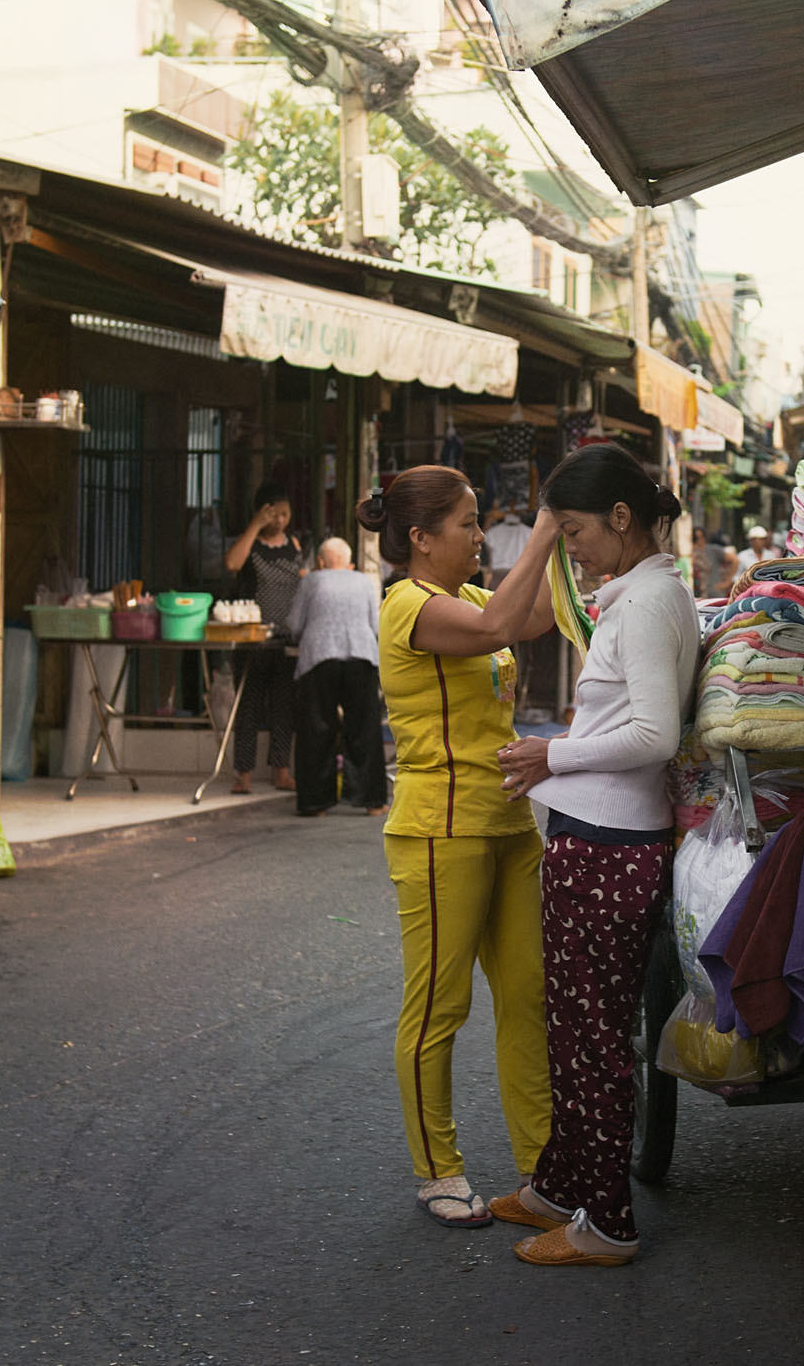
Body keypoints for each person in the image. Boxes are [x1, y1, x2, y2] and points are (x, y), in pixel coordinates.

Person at [491, 444, 700, 1268]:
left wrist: (553, 753)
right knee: (575, 1026)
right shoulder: (644, 592)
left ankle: (606, 1222)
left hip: (610, 846)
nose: (569, 547)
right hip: (600, 837)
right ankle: (560, 1185)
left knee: (594, 1039)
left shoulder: (645, 603)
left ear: (620, 518)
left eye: (573, 530)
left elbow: (654, 734)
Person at [360, 465, 562, 1230]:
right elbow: (501, 627)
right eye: (468, 523)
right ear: (419, 537)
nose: (480, 536)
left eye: (480, 521)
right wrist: (546, 525)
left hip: (510, 823)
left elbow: (536, 614)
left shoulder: (474, 596)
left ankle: (542, 1164)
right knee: (440, 1007)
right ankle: (437, 1169)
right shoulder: (407, 606)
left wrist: (568, 541)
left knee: (529, 996)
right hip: (441, 828)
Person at [288, 537, 386, 818]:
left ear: (320, 562)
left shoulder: (311, 581)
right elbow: (375, 625)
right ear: (349, 563)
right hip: (361, 657)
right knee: (364, 728)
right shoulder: (363, 582)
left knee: (317, 728)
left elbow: (294, 624)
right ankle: (373, 801)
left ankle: (315, 803)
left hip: (320, 658)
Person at [222, 484, 306, 795]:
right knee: (249, 705)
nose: (280, 520)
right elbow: (232, 564)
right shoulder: (250, 544)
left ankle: (281, 771)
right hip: (253, 640)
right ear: (260, 512)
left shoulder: (293, 544)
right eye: (274, 514)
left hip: (286, 638)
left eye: (285, 514)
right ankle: (243, 774)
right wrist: (255, 525)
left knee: (284, 705)